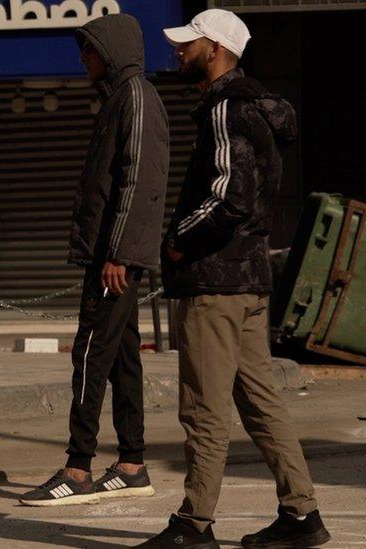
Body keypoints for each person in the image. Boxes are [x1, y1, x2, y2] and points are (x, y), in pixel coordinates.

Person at [137, 10, 330, 549]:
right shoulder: (255, 110)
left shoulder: (225, 108)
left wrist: (177, 240)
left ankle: (194, 524)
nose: (178, 50)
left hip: (216, 282)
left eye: (188, 43)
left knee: (203, 406)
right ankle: (302, 515)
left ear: (216, 49)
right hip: (248, 278)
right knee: (261, 402)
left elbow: (229, 195)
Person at [19, 13, 169, 507]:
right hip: (110, 255)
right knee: (123, 356)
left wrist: (119, 253)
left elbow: (138, 181)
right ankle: (131, 463)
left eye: (89, 50)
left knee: (88, 353)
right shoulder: (120, 99)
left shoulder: (137, 97)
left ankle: (77, 467)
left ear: (111, 51)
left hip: (115, 258)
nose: (82, 58)